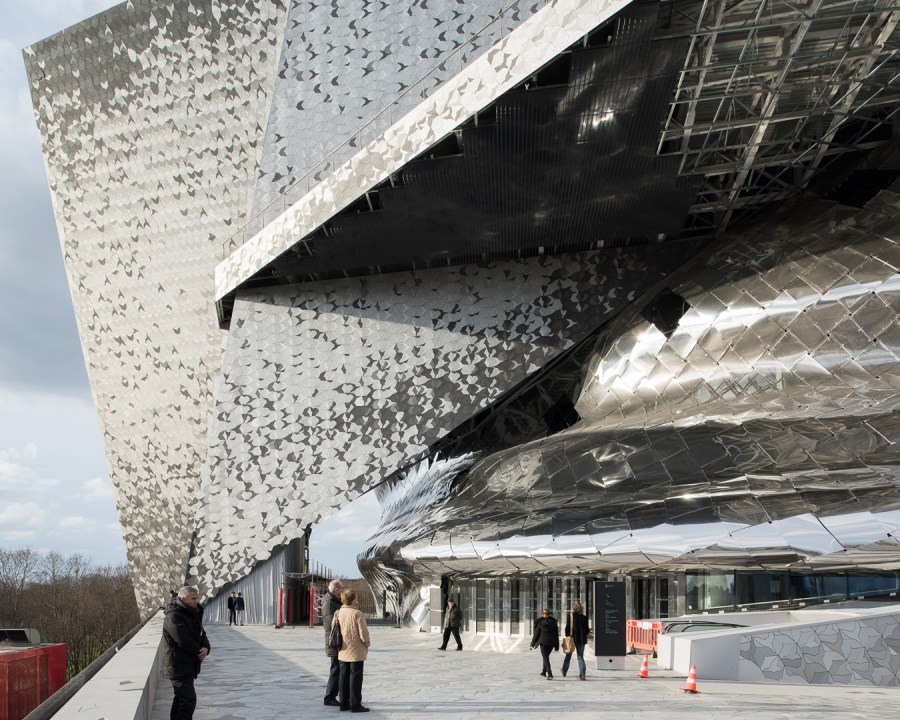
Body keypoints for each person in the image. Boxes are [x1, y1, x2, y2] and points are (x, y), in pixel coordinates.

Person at [161, 585, 211, 720]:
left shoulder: (193, 613)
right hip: (178, 665)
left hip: (187, 665)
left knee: (181, 699)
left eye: (197, 598)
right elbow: (182, 639)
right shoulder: (173, 616)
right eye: (193, 598)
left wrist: (206, 648)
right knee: (188, 700)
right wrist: (199, 652)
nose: (196, 601)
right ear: (182, 598)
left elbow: (201, 633)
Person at [337, 588, 371, 713]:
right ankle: (355, 704)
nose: (358, 599)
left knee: (343, 677)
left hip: (342, 649)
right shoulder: (357, 614)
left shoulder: (338, 612)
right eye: (356, 597)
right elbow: (363, 633)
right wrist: (367, 643)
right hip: (356, 650)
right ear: (352, 599)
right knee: (356, 678)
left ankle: (343, 703)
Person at [322, 578, 344, 707]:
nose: (343, 590)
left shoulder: (333, 600)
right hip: (334, 641)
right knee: (335, 669)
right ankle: (329, 697)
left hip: (335, 640)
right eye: (342, 588)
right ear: (336, 589)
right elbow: (331, 623)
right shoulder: (330, 602)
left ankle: (337, 695)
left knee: (337, 669)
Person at [561, 600, 589, 680]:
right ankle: (582, 675)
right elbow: (587, 630)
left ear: (573, 608)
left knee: (568, 656)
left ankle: (564, 670)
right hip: (581, 640)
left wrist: (567, 636)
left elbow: (567, 628)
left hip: (572, 639)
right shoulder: (584, 617)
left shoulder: (570, 616)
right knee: (580, 657)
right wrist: (583, 635)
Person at [530, 608, 559, 680]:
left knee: (545, 657)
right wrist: (557, 645)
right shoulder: (554, 622)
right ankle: (544, 671)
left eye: (543, 614)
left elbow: (536, 634)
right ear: (549, 615)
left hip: (543, 642)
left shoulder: (540, 623)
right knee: (546, 656)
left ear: (543, 614)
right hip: (551, 643)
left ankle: (550, 673)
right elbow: (556, 634)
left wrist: (532, 643)